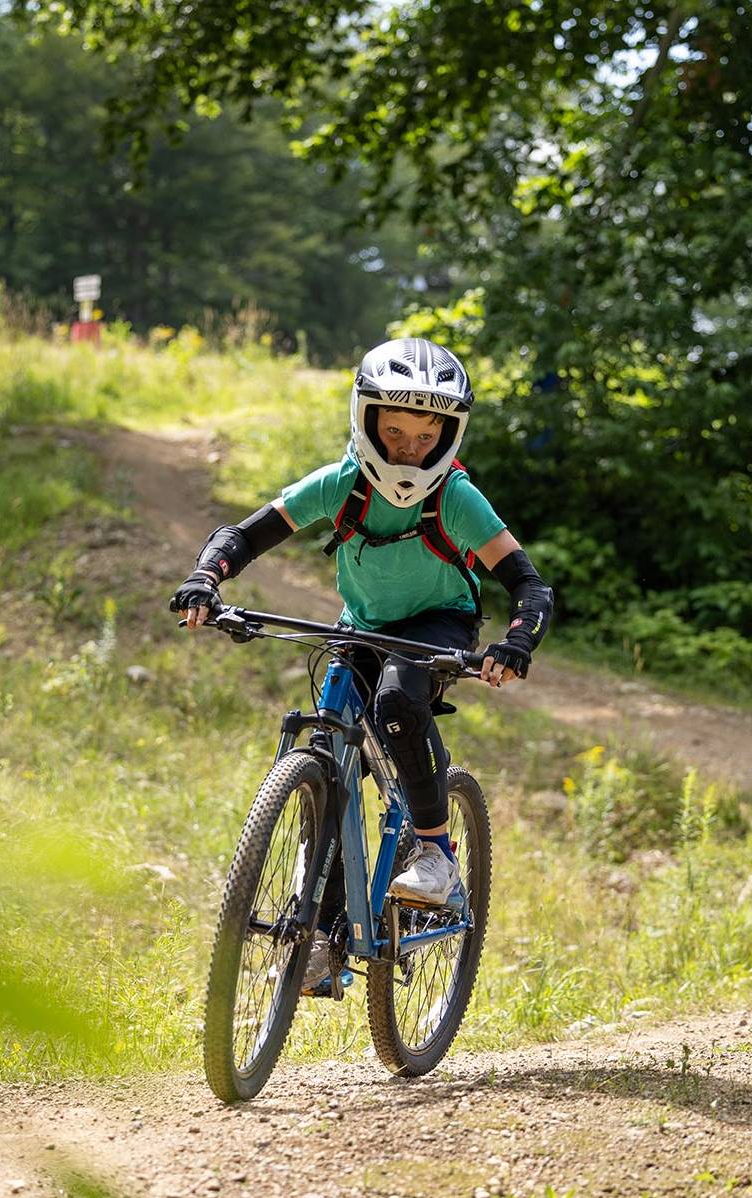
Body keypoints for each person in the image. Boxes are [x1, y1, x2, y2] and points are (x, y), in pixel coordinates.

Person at [170, 337, 555, 985]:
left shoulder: (455, 498)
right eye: (395, 430)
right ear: (366, 421)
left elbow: (529, 585)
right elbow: (241, 534)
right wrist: (208, 578)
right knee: (331, 755)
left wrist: (516, 643)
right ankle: (319, 932)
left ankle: (435, 850)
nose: (408, 448)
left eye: (424, 434)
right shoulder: (342, 483)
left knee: (399, 702)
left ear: (448, 434)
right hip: (363, 625)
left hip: (437, 623)